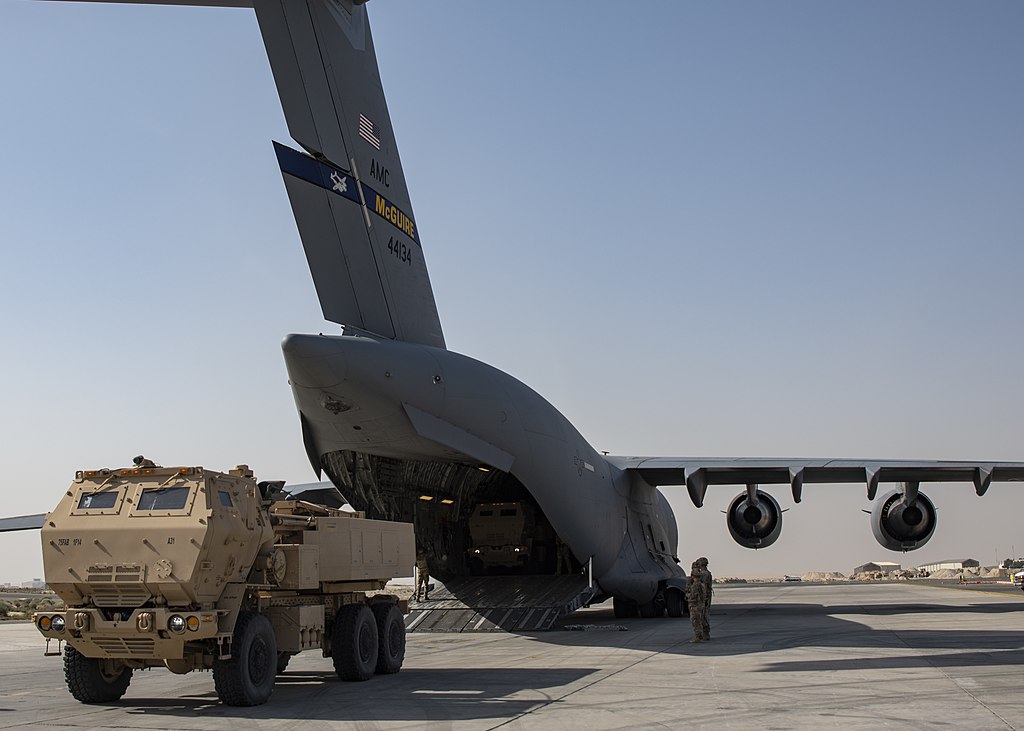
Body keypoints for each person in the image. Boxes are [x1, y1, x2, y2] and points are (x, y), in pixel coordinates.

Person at [684, 561, 708, 642]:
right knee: (700, 619)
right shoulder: (702, 584)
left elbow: (692, 596)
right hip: (700, 605)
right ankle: (702, 635)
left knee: (695, 621)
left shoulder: (695, 585)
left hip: (694, 606)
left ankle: (698, 637)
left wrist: (687, 596)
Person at [696, 556, 713, 640]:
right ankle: (704, 633)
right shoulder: (706, 573)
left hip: (704, 597)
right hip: (705, 596)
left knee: (703, 615)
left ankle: (705, 633)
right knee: (703, 614)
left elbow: (701, 584)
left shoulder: (704, 574)